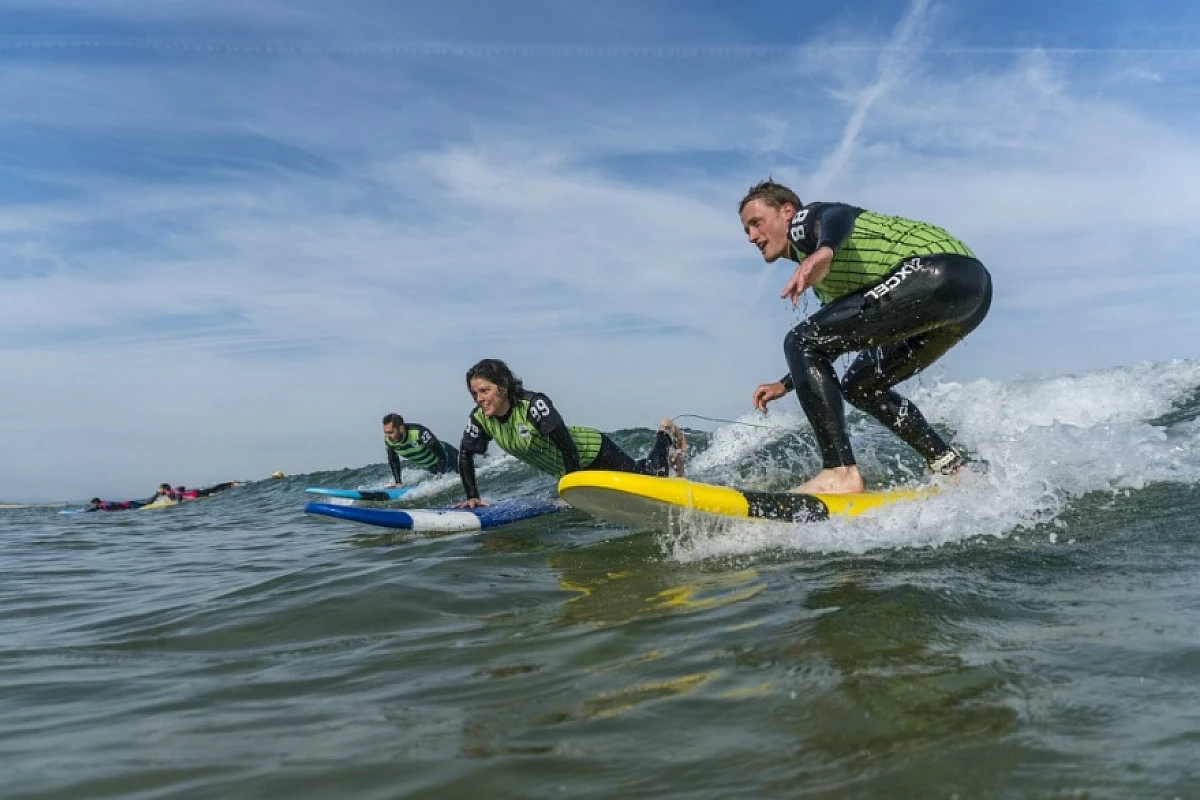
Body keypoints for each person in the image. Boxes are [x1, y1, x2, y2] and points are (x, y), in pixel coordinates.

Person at [738, 179, 992, 495]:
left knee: (800, 340)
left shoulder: (804, 225)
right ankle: (954, 470)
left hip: (934, 269)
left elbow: (837, 216)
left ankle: (840, 473)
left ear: (786, 212)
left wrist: (825, 250)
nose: (751, 237)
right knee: (862, 386)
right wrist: (786, 384)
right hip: (972, 296)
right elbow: (831, 341)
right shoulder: (825, 283)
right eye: (747, 230)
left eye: (756, 223)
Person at [456, 359, 687, 508]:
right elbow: (465, 454)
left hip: (592, 450)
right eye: (474, 393)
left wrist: (573, 488)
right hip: (571, 467)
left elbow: (566, 443)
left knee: (652, 476)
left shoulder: (533, 405)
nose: (479, 399)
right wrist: (472, 496)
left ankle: (665, 432)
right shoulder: (480, 418)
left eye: (485, 391)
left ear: (503, 387)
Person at [381, 414, 460, 486]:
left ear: (401, 429)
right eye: (386, 433)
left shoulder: (419, 432)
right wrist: (398, 482)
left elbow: (441, 454)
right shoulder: (389, 441)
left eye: (391, 432)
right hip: (432, 467)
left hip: (449, 457)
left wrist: (441, 477)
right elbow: (393, 461)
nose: (388, 436)